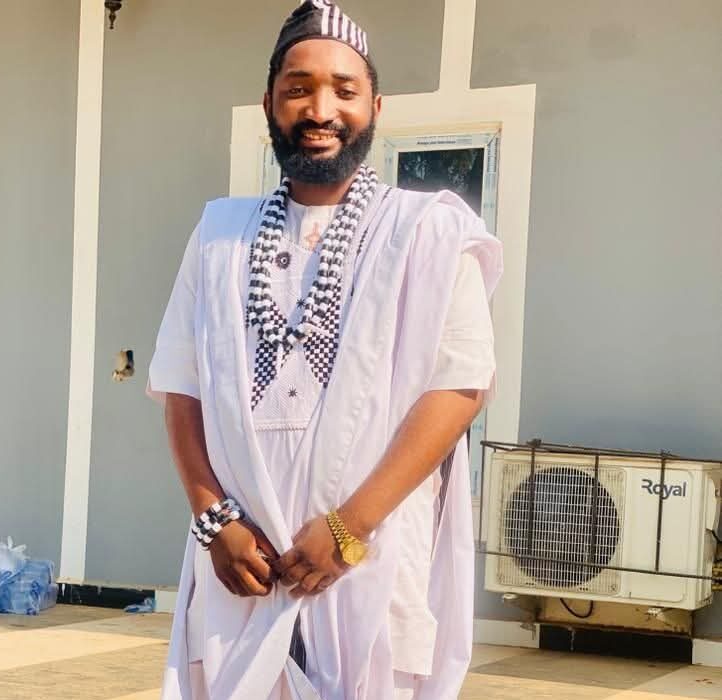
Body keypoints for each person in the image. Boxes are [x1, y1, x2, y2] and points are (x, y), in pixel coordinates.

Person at [149, 2, 503, 698]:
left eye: (344, 90)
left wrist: (349, 528)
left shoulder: (428, 232)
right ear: (269, 104)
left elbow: (460, 386)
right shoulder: (220, 236)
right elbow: (181, 387)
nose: (321, 110)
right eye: (298, 88)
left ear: (375, 107)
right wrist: (214, 521)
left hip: (369, 554)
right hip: (242, 560)